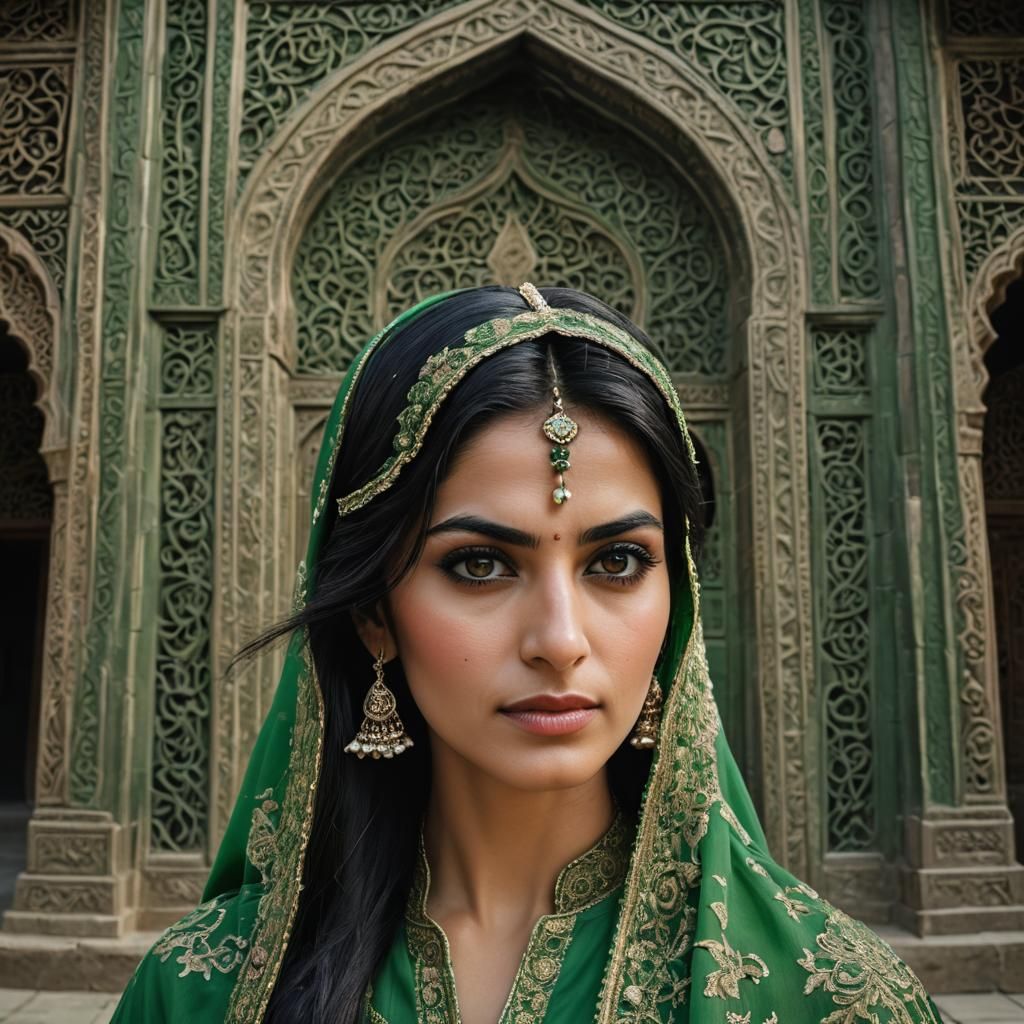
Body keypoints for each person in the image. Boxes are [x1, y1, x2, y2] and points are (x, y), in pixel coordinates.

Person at [112, 284, 941, 1023]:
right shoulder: (202, 990)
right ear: (373, 614)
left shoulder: (835, 997)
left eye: (616, 563)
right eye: (480, 565)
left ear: (675, 598)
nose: (561, 641)